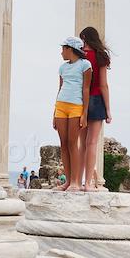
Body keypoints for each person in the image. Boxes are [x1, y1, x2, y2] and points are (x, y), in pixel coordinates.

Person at [52, 36, 91, 192]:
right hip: (61, 106)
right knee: (63, 143)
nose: (61, 52)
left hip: (76, 106)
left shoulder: (85, 65)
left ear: (70, 49)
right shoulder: (62, 67)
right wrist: (54, 112)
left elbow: (86, 89)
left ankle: (76, 182)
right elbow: (60, 89)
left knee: (72, 142)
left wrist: (84, 113)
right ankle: (68, 182)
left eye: (63, 49)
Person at [78, 26, 112, 190]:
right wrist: (108, 110)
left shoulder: (78, 55)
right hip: (97, 99)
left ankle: (77, 181)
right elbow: (103, 85)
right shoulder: (101, 56)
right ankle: (89, 183)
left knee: (81, 144)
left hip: (79, 101)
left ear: (84, 37)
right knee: (92, 143)